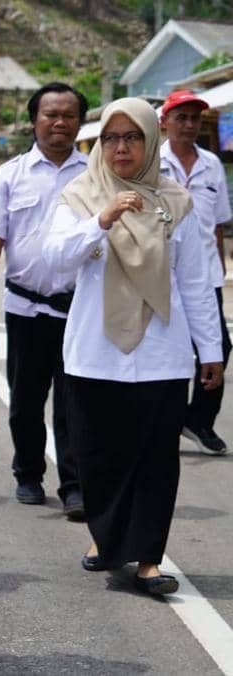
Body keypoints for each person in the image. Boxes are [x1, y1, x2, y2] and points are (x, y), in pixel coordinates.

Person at [44, 97, 223, 596]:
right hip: (95, 352)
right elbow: (54, 259)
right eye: (111, 138)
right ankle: (105, 538)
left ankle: (147, 558)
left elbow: (195, 282)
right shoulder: (79, 195)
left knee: (155, 458)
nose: (121, 147)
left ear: (151, 141)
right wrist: (100, 220)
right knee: (98, 455)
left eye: (132, 137)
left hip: (161, 352)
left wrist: (211, 351)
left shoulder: (175, 202)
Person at [0, 83, 89, 518]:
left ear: (80, 122)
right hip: (25, 308)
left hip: (81, 310)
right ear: (34, 120)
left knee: (75, 401)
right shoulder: (10, 174)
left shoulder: (96, 174)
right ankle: (28, 472)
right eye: (51, 114)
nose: (60, 122)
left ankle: (74, 484)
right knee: (26, 398)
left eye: (68, 115)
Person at [158, 89, 233, 456]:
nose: (188, 125)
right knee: (165, 348)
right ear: (164, 122)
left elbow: (217, 224)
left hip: (205, 275)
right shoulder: (151, 163)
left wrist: (219, 266)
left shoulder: (211, 165)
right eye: (181, 117)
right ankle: (160, 423)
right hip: (161, 274)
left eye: (194, 118)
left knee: (218, 347)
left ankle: (198, 420)